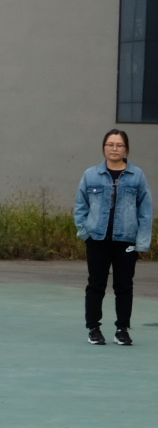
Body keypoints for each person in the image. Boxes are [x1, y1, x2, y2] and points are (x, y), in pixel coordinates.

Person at [75, 129, 150, 345]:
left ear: (126, 149)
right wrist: (86, 234)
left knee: (124, 286)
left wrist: (141, 243)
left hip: (126, 241)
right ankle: (94, 329)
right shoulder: (91, 175)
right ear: (104, 147)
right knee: (96, 285)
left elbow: (145, 212)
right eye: (110, 144)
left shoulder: (137, 176)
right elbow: (80, 207)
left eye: (119, 145)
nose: (114, 149)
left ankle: (122, 330)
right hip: (97, 240)